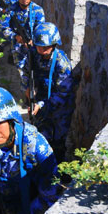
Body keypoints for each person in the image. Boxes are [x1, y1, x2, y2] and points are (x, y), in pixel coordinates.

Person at [21, 22, 74, 162]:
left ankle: (60, 171)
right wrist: (27, 88)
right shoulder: (34, 54)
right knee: (40, 136)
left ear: (54, 44)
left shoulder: (62, 63)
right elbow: (26, 71)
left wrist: (42, 104)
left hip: (59, 105)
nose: (42, 50)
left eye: (46, 47)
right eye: (39, 46)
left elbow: (63, 93)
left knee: (58, 140)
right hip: (41, 98)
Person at [0, 0, 46, 71]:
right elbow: (3, 26)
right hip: (18, 45)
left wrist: (33, 40)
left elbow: (41, 29)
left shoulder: (38, 10)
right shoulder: (11, 9)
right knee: (22, 72)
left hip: (35, 46)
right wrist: (15, 36)